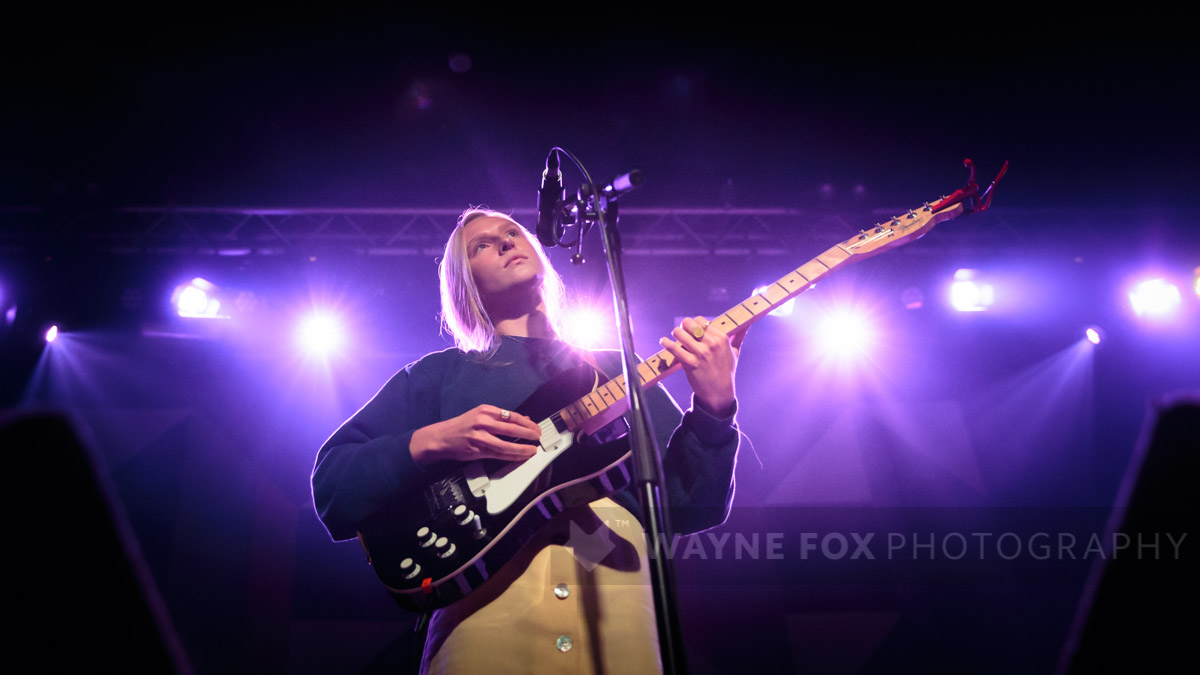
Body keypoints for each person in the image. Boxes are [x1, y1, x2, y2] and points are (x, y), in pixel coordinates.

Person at [312, 208, 743, 674]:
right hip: (483, 627)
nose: (504, 242)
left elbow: (692, 505)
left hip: (620, 621)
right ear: (464, 284)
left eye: (513, 232)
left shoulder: (617, 368)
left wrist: (715, 408)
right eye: (481, 245)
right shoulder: (437, 377)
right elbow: (334, 487)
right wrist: (435, 439)